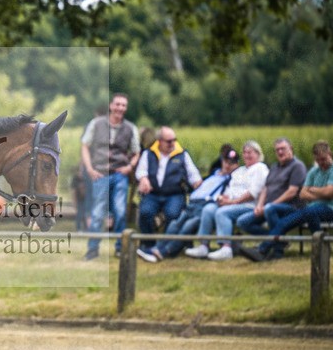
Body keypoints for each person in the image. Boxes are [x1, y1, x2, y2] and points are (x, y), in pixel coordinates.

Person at [244, 140, 333, 261]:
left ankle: (263, 249)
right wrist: (322, 192)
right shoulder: (314, 171)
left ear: (330, 154)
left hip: (330, 210)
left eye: (323, 159)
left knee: (310, 212)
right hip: (310, 210)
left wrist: (313, 190)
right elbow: (303, 194)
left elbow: (328, 192)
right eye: (318, 160)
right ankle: (270, 252)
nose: (321, 163)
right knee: (284, 222)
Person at [137, 144, 239, 262]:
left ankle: (166, 251)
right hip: (193, 203)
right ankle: (157, 247)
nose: (227, 165)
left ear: (237, 165)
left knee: (187, 227)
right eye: (226, 162)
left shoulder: (231, 179)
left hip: (204, 206)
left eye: (232, 163)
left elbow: (230, 194)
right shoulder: (215, 173)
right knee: (175, 224)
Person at [221, 137, 307, 260]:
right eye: (277, 150)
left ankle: (272, 251)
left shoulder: (297, 166)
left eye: (283, 149)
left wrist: (268, 206)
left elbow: (291, 192)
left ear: (290, 149)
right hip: (269, 207)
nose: (280, 152)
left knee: (270, 210)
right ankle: (280, 241)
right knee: (242, 221)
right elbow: (266, 188)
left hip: (292, 207)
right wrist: (260, 205)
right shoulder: (275, 167)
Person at [80, 93, 140, 260]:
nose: (120, 108)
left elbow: (136, 153)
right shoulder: (96, 124)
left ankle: (121, 247)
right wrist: (90, 169)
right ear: (111, 106)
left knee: (120, 212)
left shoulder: (130, 128)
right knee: (98, 213)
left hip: (120, 174)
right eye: (118, 104)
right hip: (100, 174)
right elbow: (85, 146)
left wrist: (130, 167)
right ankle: (92, 249)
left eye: (123, 105)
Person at [186, 140, 269, 259]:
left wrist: (232, 202)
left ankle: (226, 248)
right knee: (209, 209)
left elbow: (252, 193)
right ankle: (204, 246)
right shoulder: (240, 171)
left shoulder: (260, 168)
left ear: (258, 154)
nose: (247, 155)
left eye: (250, 152)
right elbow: (229, 190)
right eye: (245, 152)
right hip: (231, 203)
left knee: (222, 213)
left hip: (249, 206)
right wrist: (222, 198)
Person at [134, 126, 203, 250]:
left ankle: (165, 245)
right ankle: (147, 243)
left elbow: (193, 175)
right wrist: (144, 179)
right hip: (152, 193)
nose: (173, 143)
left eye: (174, 140)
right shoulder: (148, 153)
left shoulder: (182, 155)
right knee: (145, 212)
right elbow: (140, 171)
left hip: (174, 194)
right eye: (169, 141)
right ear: (159, 140)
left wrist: (197, 183)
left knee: (173, 214)